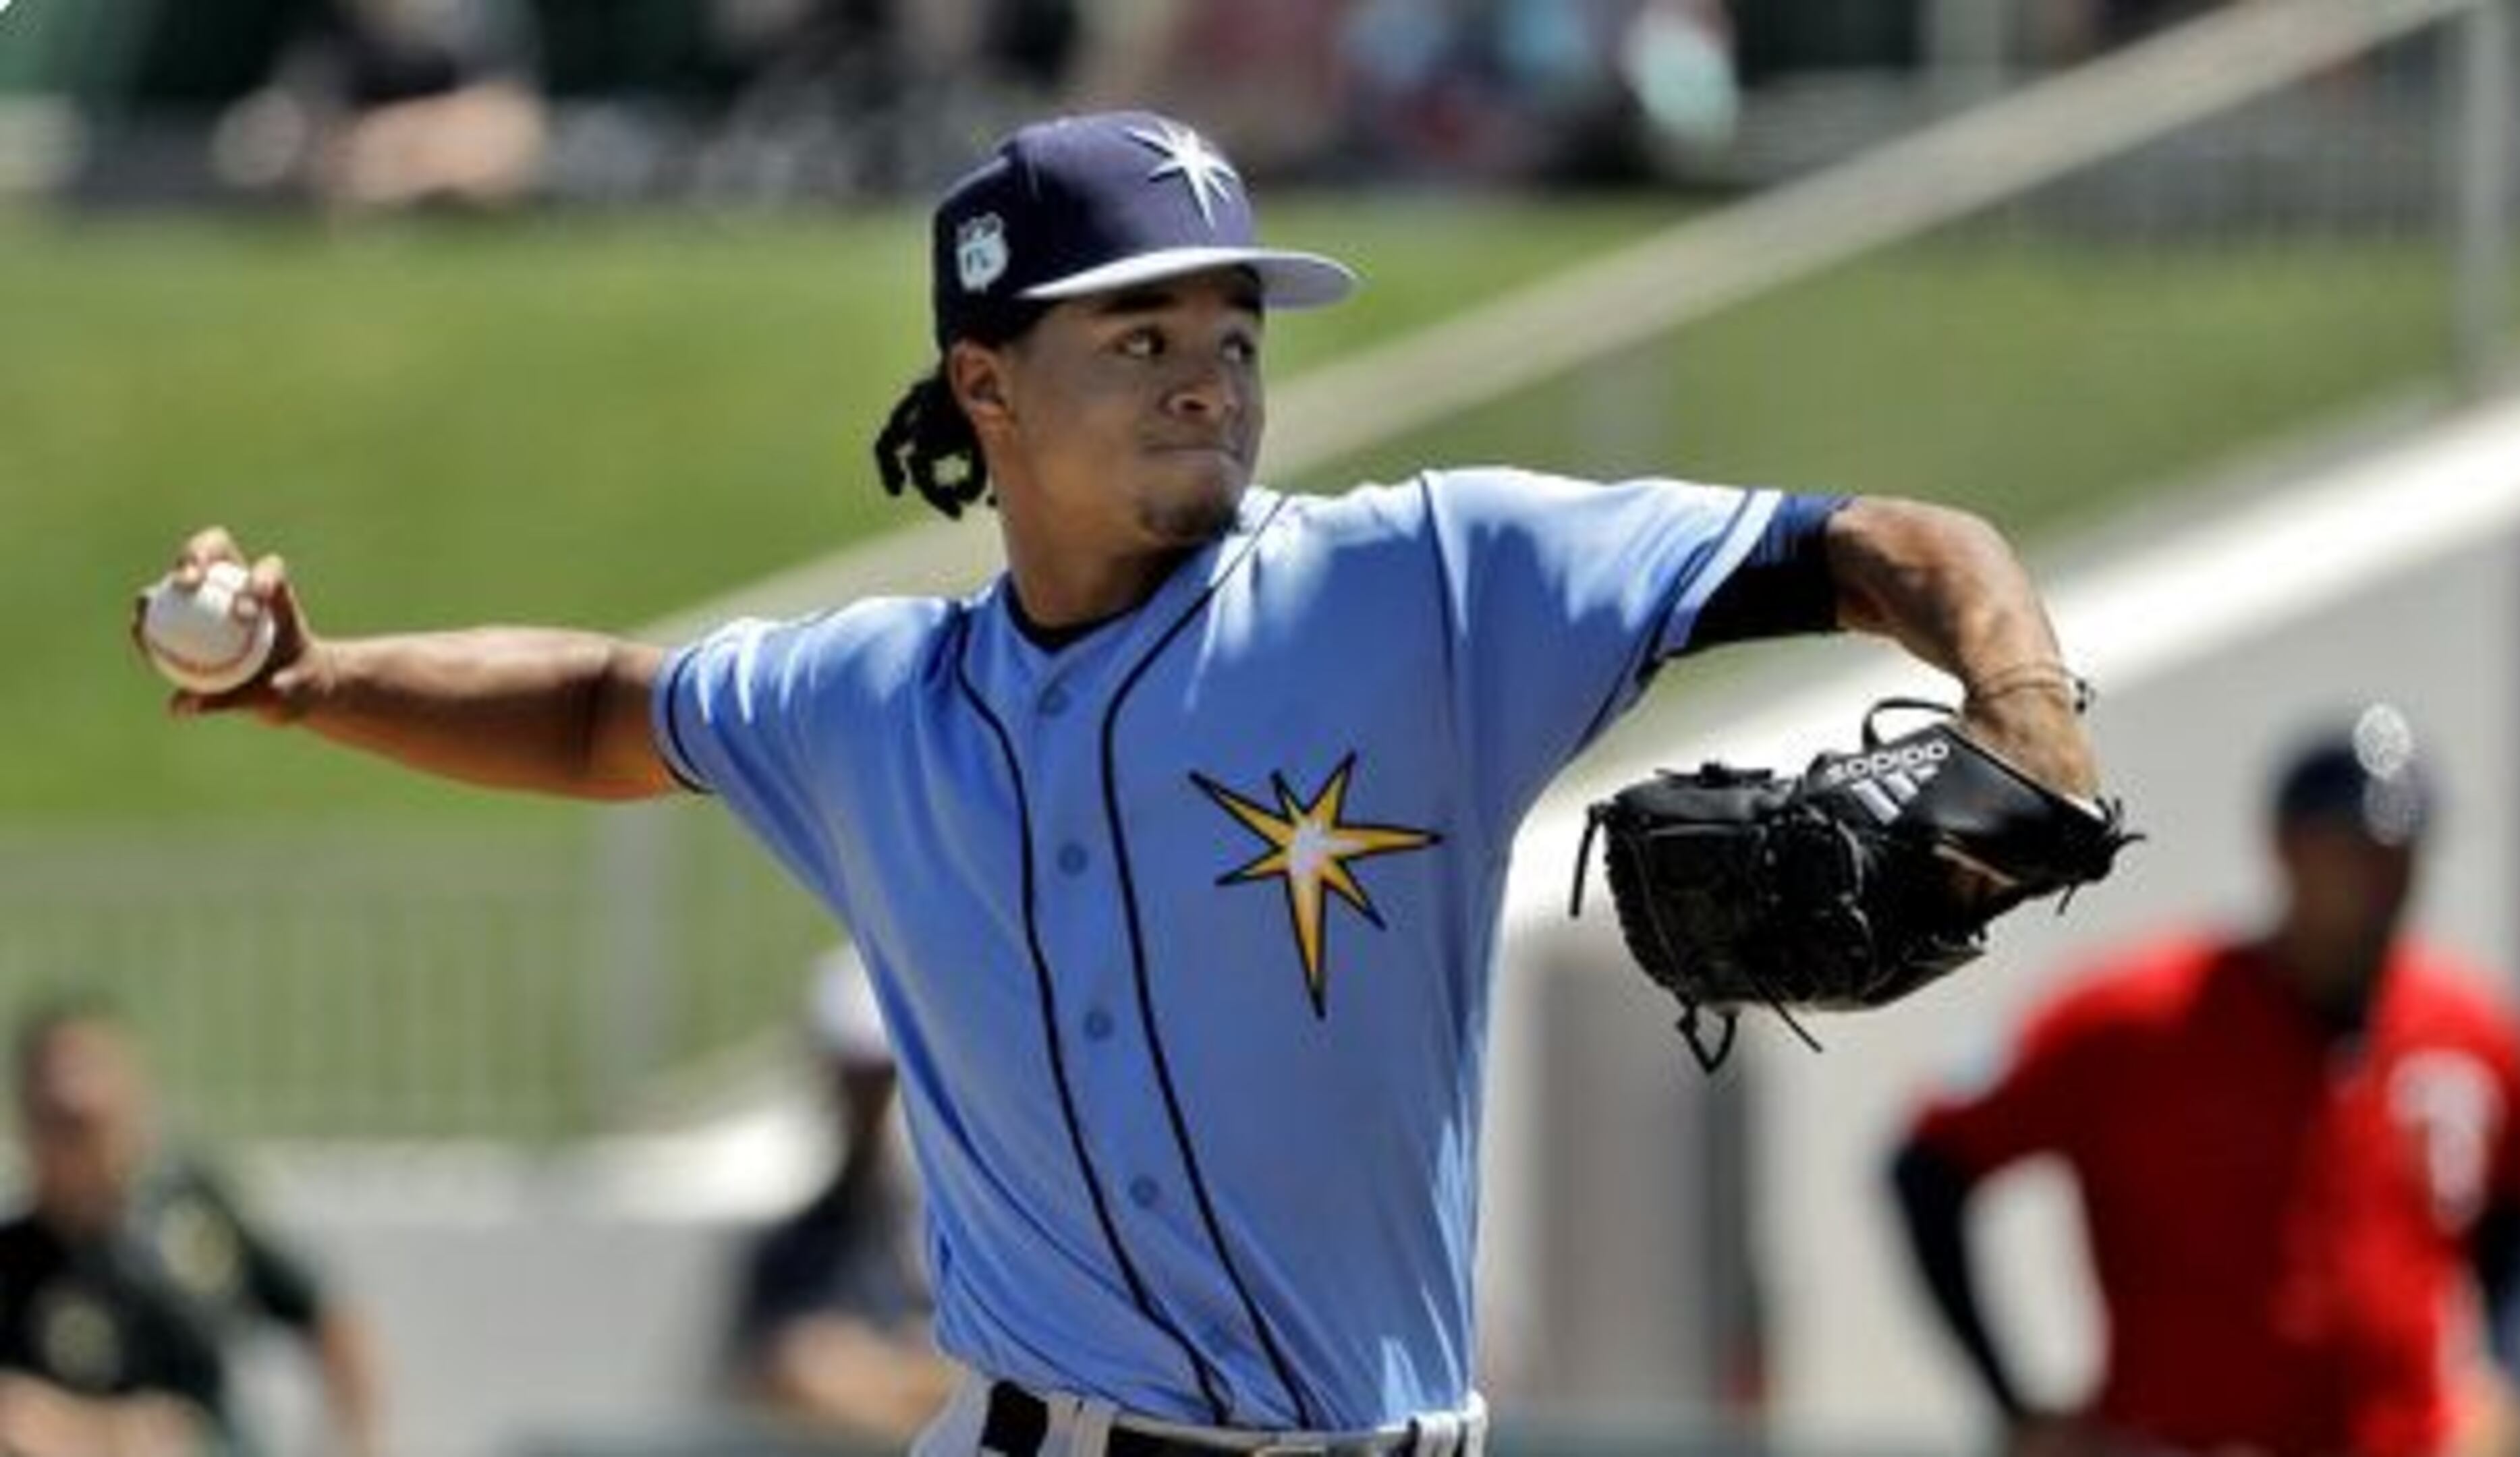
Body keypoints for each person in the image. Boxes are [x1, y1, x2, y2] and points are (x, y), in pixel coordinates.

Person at [146, 108, 2102, 1455]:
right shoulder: (877, 704)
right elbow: (601, 708)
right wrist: (319, 683)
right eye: (1142, 332)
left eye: (1233, 335)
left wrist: (2025, 703)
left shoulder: (1427, 581)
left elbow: (1886, 541)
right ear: (983, 386)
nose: (1209, 378)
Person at [1888, 706, 2520, 1457]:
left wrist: (2508, 1375)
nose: (2379, 880)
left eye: (2397, 852)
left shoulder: (2474, 1031)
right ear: (2286, 851)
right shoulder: (2139, 1017)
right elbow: (1929, 1164)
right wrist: (2015, 1404)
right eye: (2351, 852)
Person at [0, 1000, 384, 1457]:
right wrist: (101, 1435)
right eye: (61, 1124)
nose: (83, 1146)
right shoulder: (14, 1264)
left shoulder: (192, 1214)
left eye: (94, 1122)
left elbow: (327, 1316)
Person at [724, 950, 956, 1441]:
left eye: (884, 1078)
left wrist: (871, 1372)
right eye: (857, 1080)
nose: (871, 1102)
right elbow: (778, 1373)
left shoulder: (990, 1238)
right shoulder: (805, 1243)